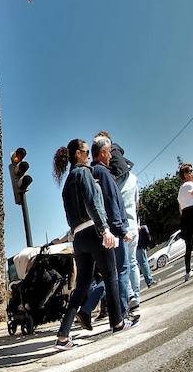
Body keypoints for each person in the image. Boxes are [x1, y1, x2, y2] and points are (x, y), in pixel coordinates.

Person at [53, 139, 137, 350]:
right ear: (78, 155)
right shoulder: (83, 173)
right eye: (86, 152)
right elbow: (93, 202)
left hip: (79, 238)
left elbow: (70, 215)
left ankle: (63, 335)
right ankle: (118, 322)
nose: (89, 155)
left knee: (81, 287)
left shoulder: (67, 183)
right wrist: (104, 230)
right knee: (111, 275)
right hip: (93, 231)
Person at [91, 136, 133, 318]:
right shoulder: (104, 172)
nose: (111, 157)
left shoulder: (93, 172)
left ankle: (91, 309)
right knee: (122, 270)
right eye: (109, 152)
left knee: (111, 273)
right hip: (115, 231)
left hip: (105, 231)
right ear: (102, 153)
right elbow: (111, 202)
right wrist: (122, 229)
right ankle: (123, 314)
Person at [136, 223, 156, 288]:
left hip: (136, 244)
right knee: (144, 263)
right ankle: (149, 281)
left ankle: (149, 281)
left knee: (142, 263)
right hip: (138, 245)